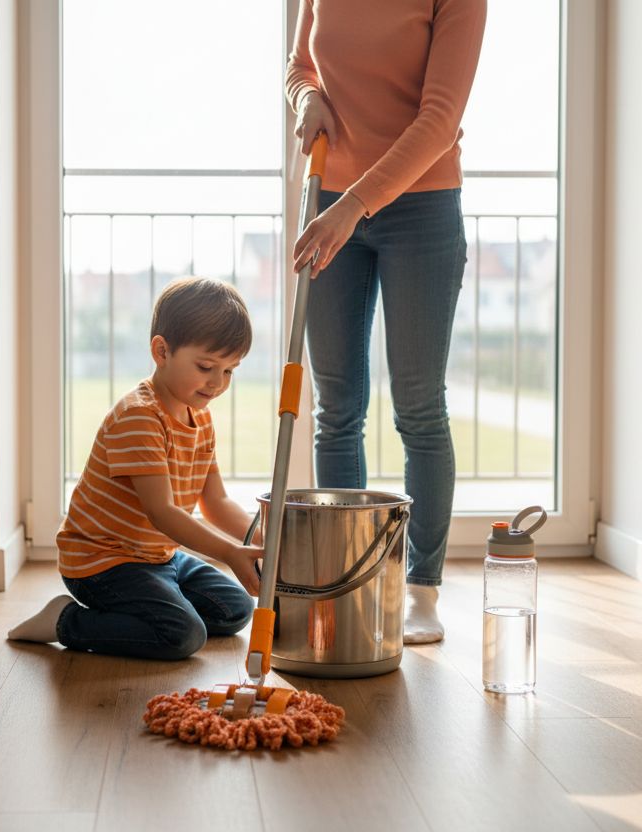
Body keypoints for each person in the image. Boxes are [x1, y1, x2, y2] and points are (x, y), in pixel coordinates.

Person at [286, 0, 487, 643]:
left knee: (419, 407)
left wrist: (354, 205)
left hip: (421, 207)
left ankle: (419, 590)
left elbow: (439, 120)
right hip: (330, 202)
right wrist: (306, 99)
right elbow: (300, 65)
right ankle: (346, 584)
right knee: (336, 408)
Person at [8, 277, 264, 660]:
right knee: (183, 635)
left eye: (229, 371)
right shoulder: (139, 417)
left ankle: (151, 605)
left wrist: (260, 542)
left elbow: (216, 502)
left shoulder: (200, 417)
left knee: (236, 610)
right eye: (206, 366)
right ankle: (65, 621)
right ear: (162, 351)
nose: (217, 383)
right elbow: (162, 512)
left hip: (158, 556)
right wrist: (229, 552)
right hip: (102, 563)